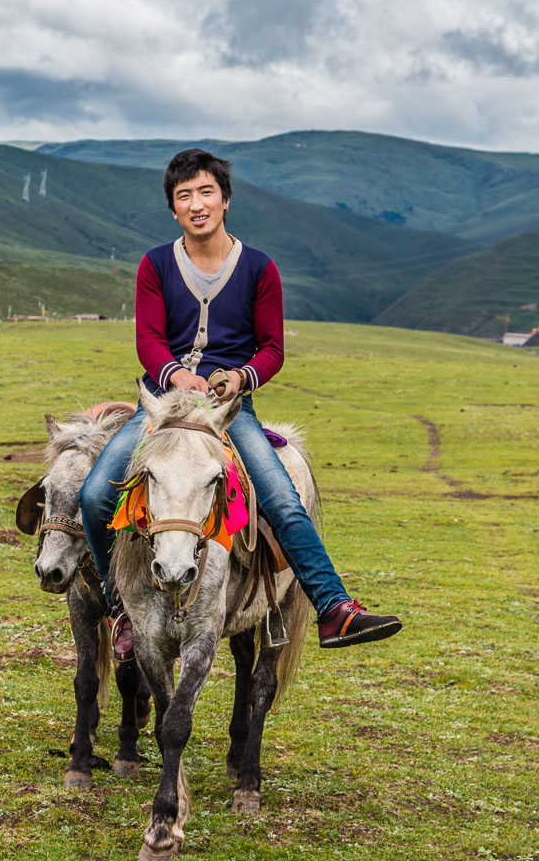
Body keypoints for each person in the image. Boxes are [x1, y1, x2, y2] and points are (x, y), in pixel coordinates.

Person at [79, 148, 402, 661]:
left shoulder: (258, 268)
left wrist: (238, 378)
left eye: (206, 192)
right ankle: (120, 607)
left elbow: (272, 348)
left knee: (281, 499)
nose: (196, 204)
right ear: (173, 209)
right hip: (161, 408)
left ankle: (333, 607)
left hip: (228, 411)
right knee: (96, 493)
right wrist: (178, 375)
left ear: (225, 200)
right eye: (184, 196)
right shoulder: (155, 265)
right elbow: (149, 341)